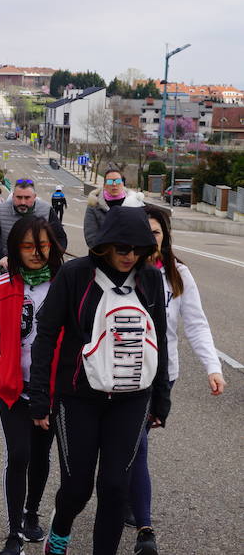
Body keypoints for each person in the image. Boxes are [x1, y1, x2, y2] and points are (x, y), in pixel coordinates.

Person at [28, 206, 171, 555]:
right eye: (123, 248)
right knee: (77, 488)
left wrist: (161, 397)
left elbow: (161, 339)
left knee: (115, 487)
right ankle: (60, 531)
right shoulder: (76, 275)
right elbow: (46, 334)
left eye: (138, 249)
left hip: (132, 397)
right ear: (105, 245)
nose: (130, 256)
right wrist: (40, 396)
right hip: (78, 396)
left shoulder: (149, 279)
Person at [127, 206, 227, 555]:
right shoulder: (119, 270)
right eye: (145, 231)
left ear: (165, 236)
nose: (150, 238)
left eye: (157, 233)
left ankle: (136, 510)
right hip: (119, 374)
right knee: (133, 447)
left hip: (160, 376)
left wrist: (212, 367)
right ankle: (144, 528)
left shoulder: (177, 273)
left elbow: (196, 324)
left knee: (137, 444)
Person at [0, 216, 64, 555]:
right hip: (14, 388)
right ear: (15, 249)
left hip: (53, 389)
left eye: (42, 247)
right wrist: (1, 365)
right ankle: (14, 531)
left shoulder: (64, 285)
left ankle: (32, 512)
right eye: (27, 247)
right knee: (18, 455)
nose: (35, 253)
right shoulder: (1, 287)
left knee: (41, 454)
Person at [0, 180, 67, 272]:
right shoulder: (1, 211)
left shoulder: (47, 210)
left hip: (41, 269)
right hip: (10, 269)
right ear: (13, 196)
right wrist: (0, 258)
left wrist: (52, 257)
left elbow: (61, 238)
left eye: (27, 198)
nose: (23, 202)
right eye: (19, 197)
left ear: (34, 197)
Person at [83, 169, 145, 248]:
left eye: (118, 181)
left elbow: (142, 231)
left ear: (122, 183)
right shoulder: (94, 205)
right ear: (104, 185)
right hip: (103, 254)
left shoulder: (134, 202)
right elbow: (91, 237)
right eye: (110, 182)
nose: (114, 184)